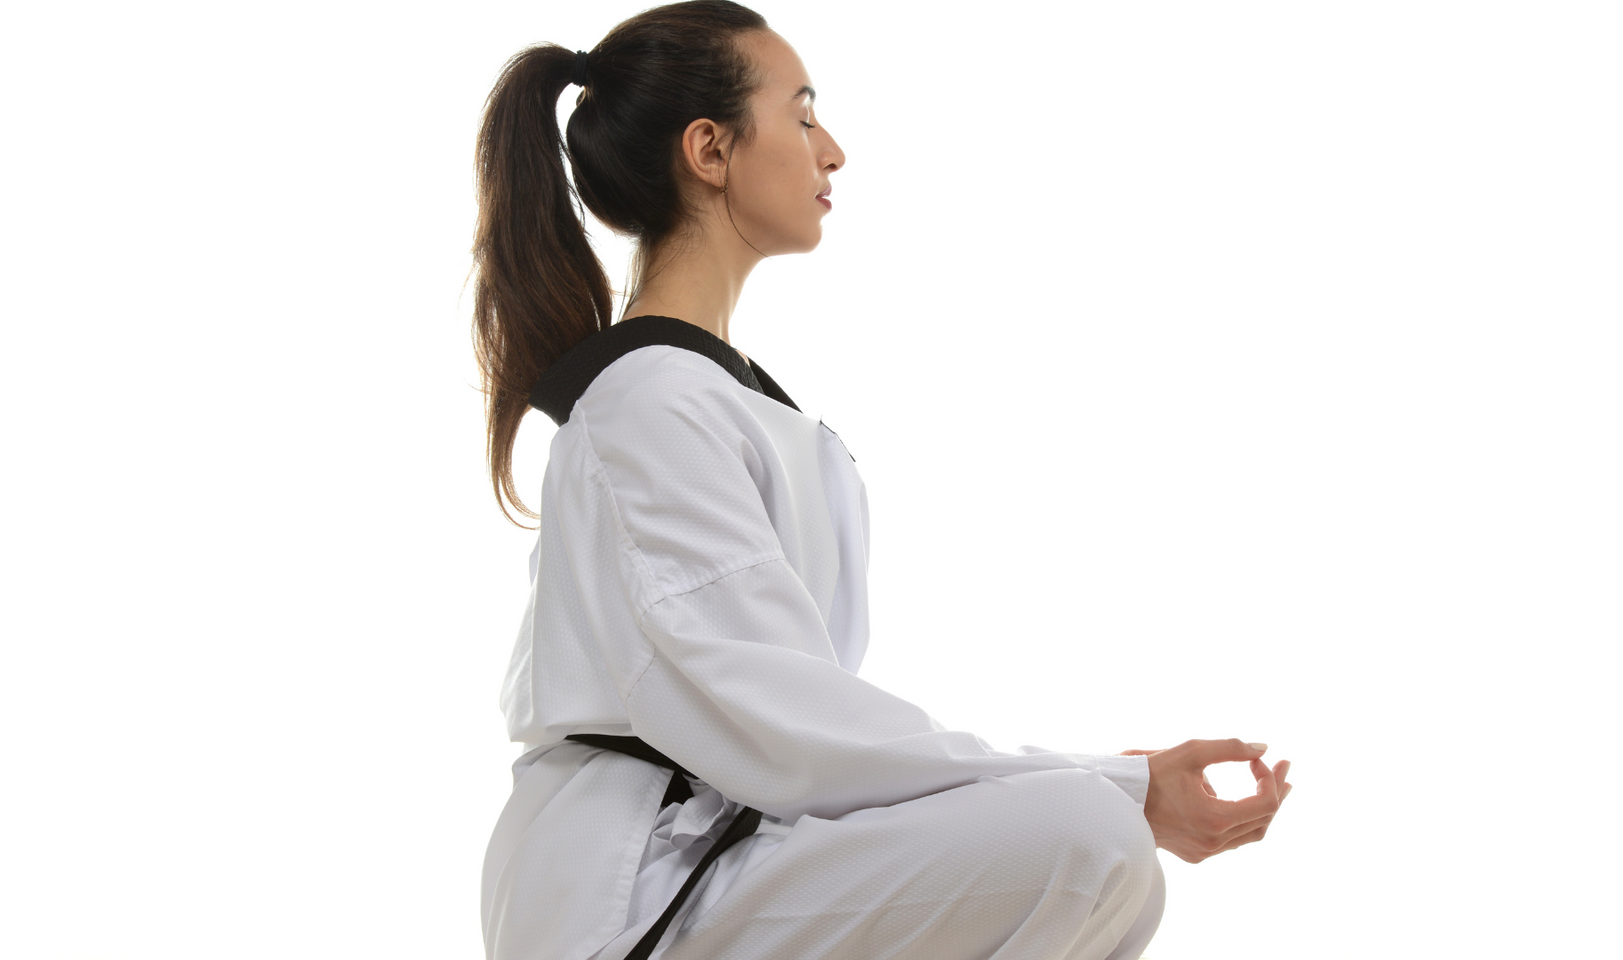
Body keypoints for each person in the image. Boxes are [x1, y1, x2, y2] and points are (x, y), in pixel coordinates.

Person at [470, 3, 1294, 958]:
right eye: (804, 113)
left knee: (1113, 879)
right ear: (709, 148)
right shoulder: (652, 403)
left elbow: (801, 724)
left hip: (730, 849)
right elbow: (783, 723)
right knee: (1087, 844)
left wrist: (1112, 783)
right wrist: (1119, 784)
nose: (833, 151)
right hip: (638, 889)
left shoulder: (722, 404)